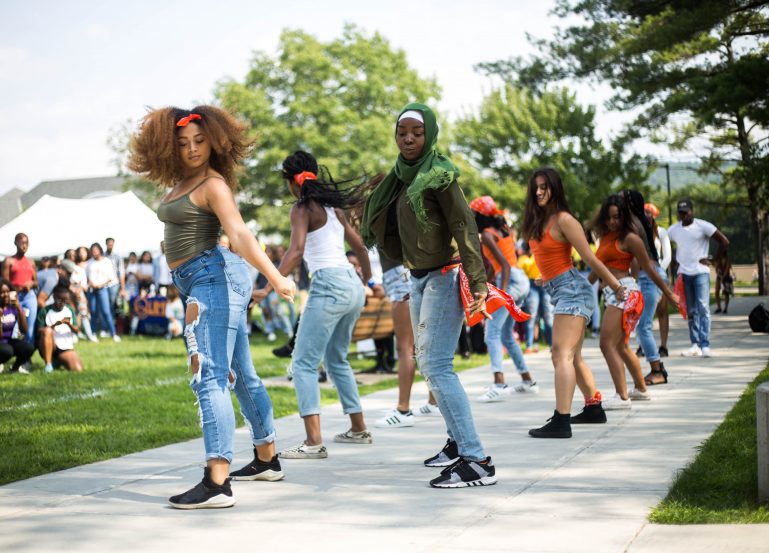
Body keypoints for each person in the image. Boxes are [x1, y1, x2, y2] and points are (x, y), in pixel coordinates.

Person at [129, 104, 295, 510]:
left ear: (214, 143)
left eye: (200, 141)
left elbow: (238, 232)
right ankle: (267, 458)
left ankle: (217, 482)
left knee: (209, 376)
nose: (192, 149)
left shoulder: (213, 183)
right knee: (240, 374)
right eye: (183, 143)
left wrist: (275, 278)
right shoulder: (183, 181)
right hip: (206, 278)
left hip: (211, 279)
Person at [362, 103, 496, 488]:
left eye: (416, 133)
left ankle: (476, 460)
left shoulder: (439, 175)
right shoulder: (399, 178)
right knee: (427, 362)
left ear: (430, 135)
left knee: (437, 365)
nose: (408, 139)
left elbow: (464, 226)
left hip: (445, 276)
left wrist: (479, 283)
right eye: (401, 132)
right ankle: (457, 444)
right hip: (418, 277)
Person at [255, 150, 371, 459]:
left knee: (302, 363)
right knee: (336, 359)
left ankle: (313, 443)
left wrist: (267, 287)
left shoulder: (302, 208)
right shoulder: (333, 208)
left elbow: (295, 251)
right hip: (352, 285)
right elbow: (359, 246)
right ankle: (358, 428)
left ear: (292, 182)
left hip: (329, 284)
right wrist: (369, 281)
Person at [523, 168, 628, 438]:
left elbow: (590, 259)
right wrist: (546, 278)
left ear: (555, 188)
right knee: (573, 356)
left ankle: (561, 421)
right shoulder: (540, 220)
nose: (539, 192)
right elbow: (551, 260)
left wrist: (616, 286)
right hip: (558, 288)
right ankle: (593, 408)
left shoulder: (565, 220)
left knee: (561, 355)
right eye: (536, 187)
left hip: (573, 291)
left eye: (544, 187)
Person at [589, 194, 679, 409]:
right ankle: (641, 389)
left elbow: (650, 269)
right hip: (612, 292)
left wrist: (669, 294)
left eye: (617, 217)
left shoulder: (630, 238)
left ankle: (622, 397)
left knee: (607, 344)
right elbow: (597, 268)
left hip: (625, 292)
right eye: (609, 217)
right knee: (620, 346)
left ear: (624, 217)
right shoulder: (606, 236)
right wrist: (581, 286)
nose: (613, 222)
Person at [469, 195, 537, 401]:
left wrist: (502, 294)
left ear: (480, 216)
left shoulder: (487, 235)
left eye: (472, 213)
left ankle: (499, 384)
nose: (470, 216)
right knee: (506, 335)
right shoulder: (502, 229)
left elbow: (504, 266)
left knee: (491, 333)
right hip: (520, 280)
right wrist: (486, 284)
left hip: (511, 281)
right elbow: (498, 264)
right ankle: (527, 380)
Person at [667, 198, 729, 358]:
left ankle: (705, 344)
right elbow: (663, 242)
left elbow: (724, 241)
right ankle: (695, 345)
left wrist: (714, 260)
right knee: (691, 310)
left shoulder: (703, 226)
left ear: (692, 211)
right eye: (681, 213)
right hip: (684, 273)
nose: (683, 216)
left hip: (700, 272)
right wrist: (671, 259)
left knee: (703, 308)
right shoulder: (674, 229)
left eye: (686, 212)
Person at [639, 202, 673, 384]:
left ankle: (663, 346)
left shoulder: (661, 232)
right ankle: (644, 348)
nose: (647, 215)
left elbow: (667, 256)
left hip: (655, 273)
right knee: (643, 319)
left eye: (649, 213)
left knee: (660, 313)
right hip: (645, 274)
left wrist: (659, 273)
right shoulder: (639, 232)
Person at [37, 285, 84, 373]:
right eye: (60, 300)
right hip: (51, 346)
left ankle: (57, 362)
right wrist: (54, 326)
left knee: (78, 369)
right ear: (54, 297)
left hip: (65, 347)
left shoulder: (69, 309)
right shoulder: (45, 311)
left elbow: (77, 331)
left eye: (65, 300)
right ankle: (48, 364)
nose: (62, 303)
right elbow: (39, 331)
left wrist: (69, 324)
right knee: (47, 331)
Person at [517, 242, 553, 353]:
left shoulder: (543, 252)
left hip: (545, 283)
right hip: (532, 284)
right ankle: (529, 345)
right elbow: (519, 269)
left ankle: (552, 345)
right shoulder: (524, 258)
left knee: (548, 315)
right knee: (531, 315)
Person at [2, 233, 38, 343]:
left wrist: (31, 283)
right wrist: (17, 288)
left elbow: (36, 282)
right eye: (21, 243)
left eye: (26, 243)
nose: (24, 245)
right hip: (14, 296)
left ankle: (28, 351)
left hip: (29, 296)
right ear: (15, 243)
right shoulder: (9, 261)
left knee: (30, 328)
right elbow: (4, 284)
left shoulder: (31, 262)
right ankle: (11, 348)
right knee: (13, 327)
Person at [86, 242, 121, 343]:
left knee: (106, 311)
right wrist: (91, 283)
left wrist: (100, 285)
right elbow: (87, 276)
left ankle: (113, 333)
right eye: (92, 251)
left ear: (100, 250)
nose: (94, 253)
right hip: (92, 290)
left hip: (103, 289)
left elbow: (111, 277)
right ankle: (93, 334)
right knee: (93, 312)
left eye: (95, 250)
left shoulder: (106, 261)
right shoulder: (89, 263)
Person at [0, 279, 34, 374]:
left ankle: (15, 368)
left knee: (28, 347)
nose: (6, 295)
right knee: (8, 351)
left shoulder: (13, 307)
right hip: (2, 343)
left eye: (8, 292)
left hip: (8, 342)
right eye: (2, 292)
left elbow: (24, 330)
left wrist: (19, 309)